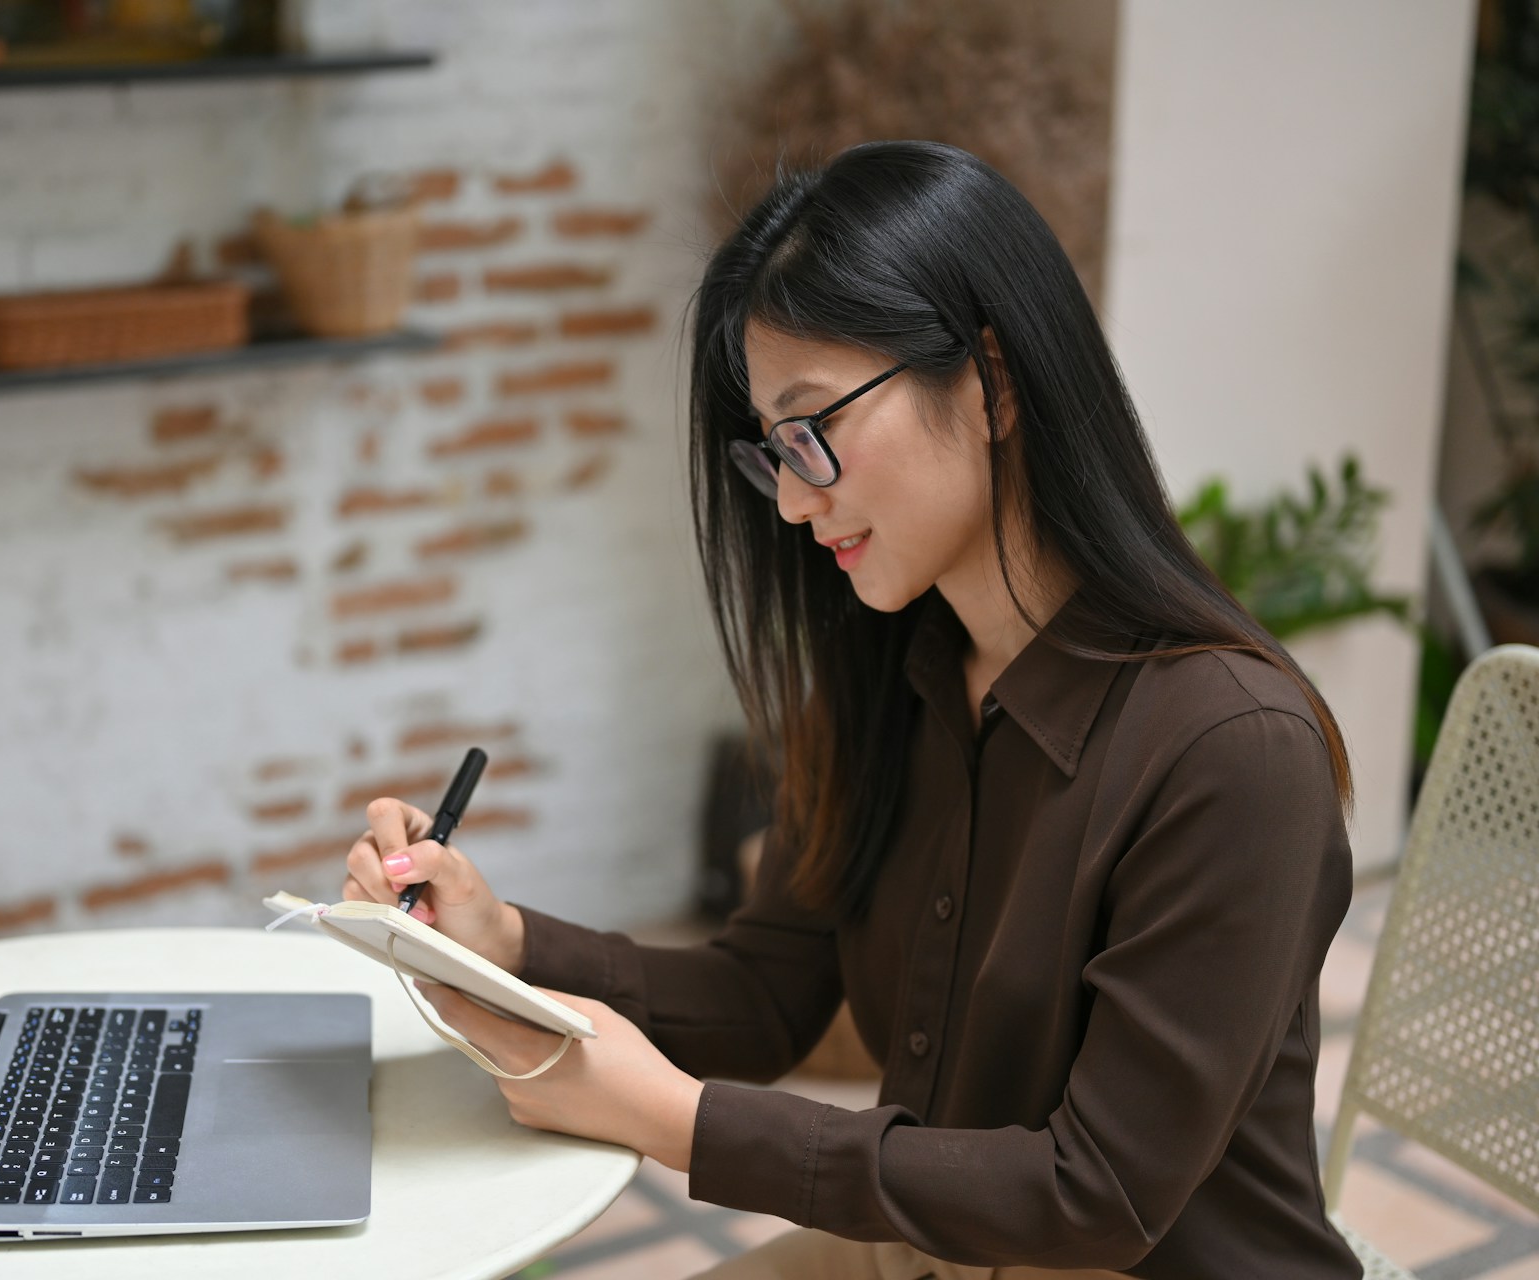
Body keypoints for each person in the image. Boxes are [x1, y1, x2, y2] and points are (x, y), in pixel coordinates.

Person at [341, 141, 1362, 1279]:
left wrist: (673, 1115)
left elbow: (1100, 1192)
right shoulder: (893, 673)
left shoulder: (1233, 750)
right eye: (772, 449)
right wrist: (507, 941)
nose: (787, 499)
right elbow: (769, 990)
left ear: (993, 382)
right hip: (940, 1247)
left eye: (813, 426)